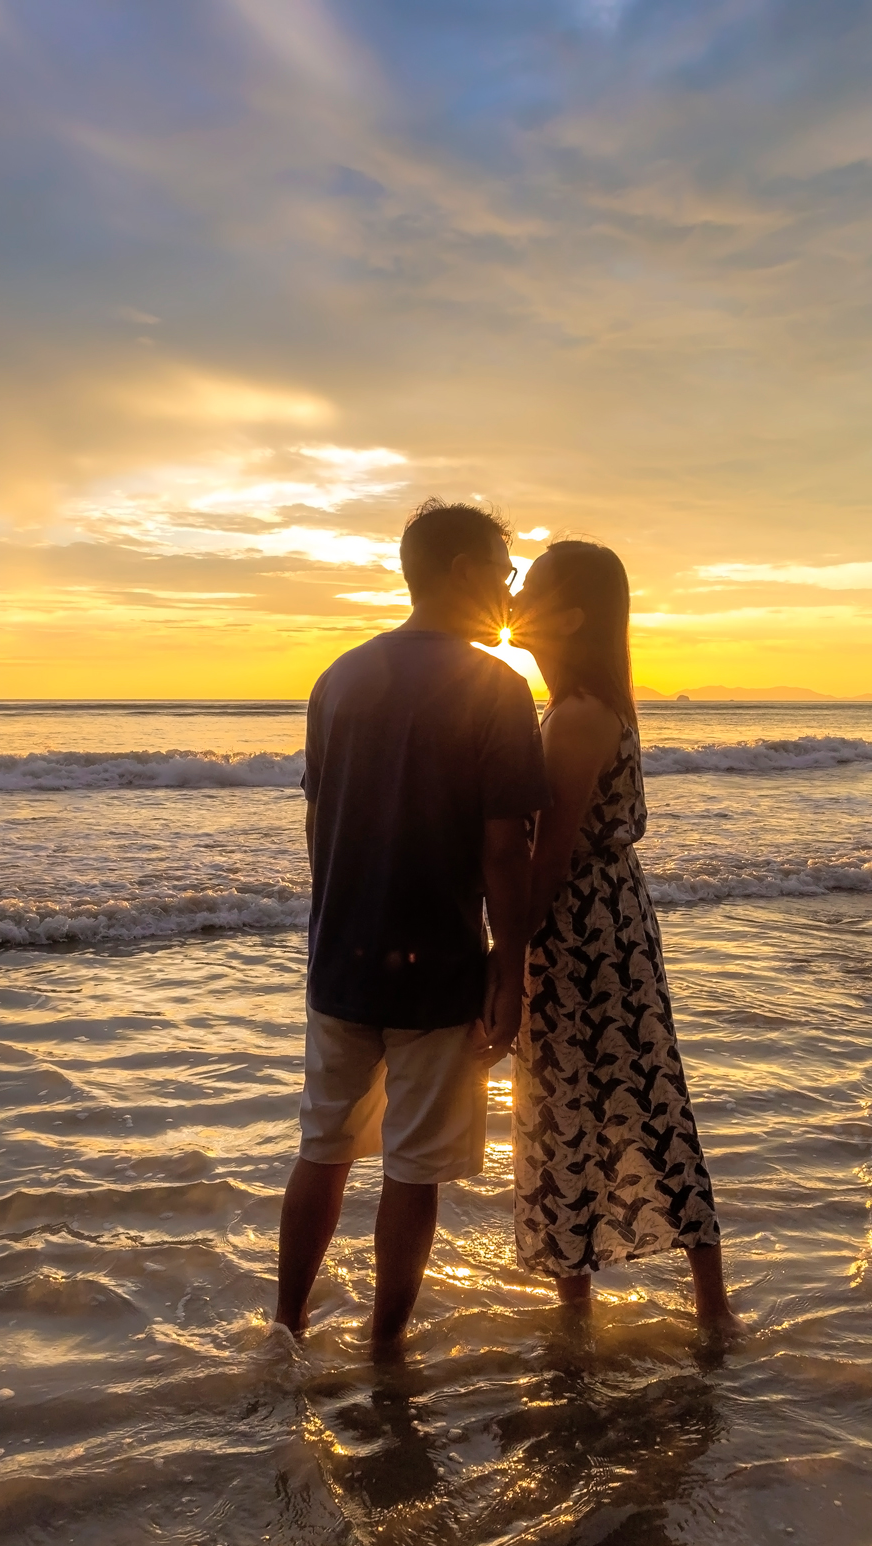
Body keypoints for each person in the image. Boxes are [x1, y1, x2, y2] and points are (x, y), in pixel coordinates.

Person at [271, 499, 549, 1358]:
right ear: (462, 569)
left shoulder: (338, 679)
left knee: (323, 1147)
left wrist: (333, 925)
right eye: (501, 570)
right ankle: (384, 1346)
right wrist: (513, 962)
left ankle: (285, 1328)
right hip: (438, 965)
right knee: (414, 1168)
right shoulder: (495, 690)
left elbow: (320, 826)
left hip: (341, 958)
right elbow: (503, 849)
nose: (507, 586)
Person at [505, 540, 736, 1340]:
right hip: (611, 922)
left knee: (595, 1097)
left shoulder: (575, 718)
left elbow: (549, 860)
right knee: (627, 1095)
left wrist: (507, 963)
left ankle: (675, 1315)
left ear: (570, 615)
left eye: (531, 589)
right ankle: (691, 1312)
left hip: (585, 933)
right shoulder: (581, 705)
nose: (514, 600)